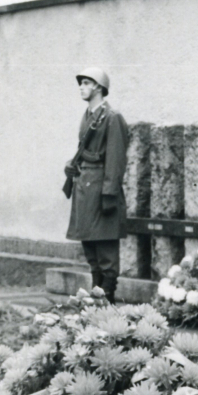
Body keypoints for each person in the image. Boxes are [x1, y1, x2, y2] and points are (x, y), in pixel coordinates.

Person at [63, 67, 128, 301]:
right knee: (90, 246)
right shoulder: (88, 115)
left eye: (86, 83)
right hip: (84, 187)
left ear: (98, 88)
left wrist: (109, 194)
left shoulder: (112, 118)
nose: (81, 87)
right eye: (81, 83)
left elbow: (116, 158)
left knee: (106, 249)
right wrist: (71, 166)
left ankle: (107, 296)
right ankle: (95, 296)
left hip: (101, 188)